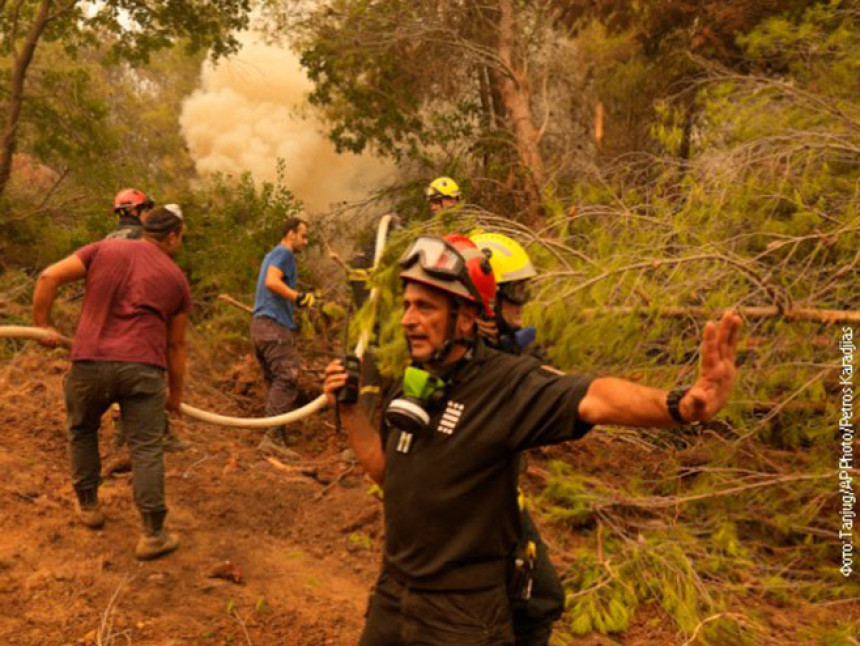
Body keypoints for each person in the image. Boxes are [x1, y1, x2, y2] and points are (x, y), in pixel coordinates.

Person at [322, 234, 742, 644]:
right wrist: (350, 411)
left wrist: (682, 405)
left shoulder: (506, 385)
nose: (408, 319)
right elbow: (387, 477)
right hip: (394, 599)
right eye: (407, 305)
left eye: (425, 307)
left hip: (462, 618)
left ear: (466, 318)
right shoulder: (411, 386)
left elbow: (595, 397)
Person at [32, 206, 191, 561]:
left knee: (83, 430)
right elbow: (176, 345)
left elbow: (47, 278)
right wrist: (175, 396)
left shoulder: (101, 249)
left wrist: (42, 325)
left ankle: (89, 506)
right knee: (146, 448)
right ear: (171, 237)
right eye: (182, 237)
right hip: (144, 370)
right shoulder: (176, 277)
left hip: (90, 362)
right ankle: (153, 534)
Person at [470, 231, 561, 644]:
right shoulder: (472, 367)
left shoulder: (497, 357)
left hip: (500, 500)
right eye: (515, 294)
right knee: (537, 601)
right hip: (479, 512)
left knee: (532, 602)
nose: (523, 307)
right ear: (485, 302)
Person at [251, 217, 313, 453]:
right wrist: (297, 296)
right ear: (290, 234)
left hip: (259, 327)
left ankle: (279, 433)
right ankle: (272, 438)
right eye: (303, 236)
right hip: (273, 327)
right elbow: (271, 281)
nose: (305, 242)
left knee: (276, 380)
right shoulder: (283, 254)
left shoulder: (272, 255)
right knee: (287, 378)